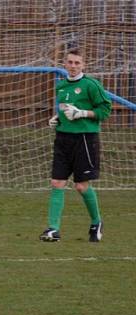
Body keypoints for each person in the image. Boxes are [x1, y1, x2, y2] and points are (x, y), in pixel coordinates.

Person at [41, 48, 112, 242]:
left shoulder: (91, 85)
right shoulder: (61, 86)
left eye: (77, 63)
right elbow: (65, 110)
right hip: (63, 139)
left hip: (85, 140)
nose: (73, 66)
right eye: (70, 62)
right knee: (57, 183)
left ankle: (96, 221)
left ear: (83, 65)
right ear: (64, 64)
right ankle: (53, 230)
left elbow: (105, 110)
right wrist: (58, 118)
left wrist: (83, 113)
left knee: (81, 186)